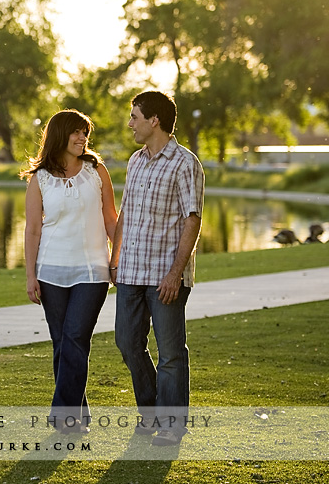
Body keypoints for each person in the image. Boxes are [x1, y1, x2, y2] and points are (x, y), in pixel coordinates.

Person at [110, 91, 204, 447]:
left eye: (134, 116)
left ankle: (171, 425)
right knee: (127, 343)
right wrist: (115, 257)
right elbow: (126, 213)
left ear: (155, 121)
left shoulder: (185, 163)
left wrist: (175, 273)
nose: (130, 123)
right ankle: (150, 414)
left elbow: (192, 220)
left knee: (171, 353)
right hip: (131, 273)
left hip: (165, 277)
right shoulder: (135, 161)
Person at [21, 109, 118, 433]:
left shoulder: (96, 171)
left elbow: (110, 220)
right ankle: (79, 415)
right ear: (60, 135)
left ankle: (63, 416)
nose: (82, 139)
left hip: (92, 271)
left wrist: (116, 258)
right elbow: (33, 229)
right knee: (63, 344)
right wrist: (30, 274)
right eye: (77, 132)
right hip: (50, 271)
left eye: (85, 133)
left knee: (76, 337)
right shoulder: (40, 178)